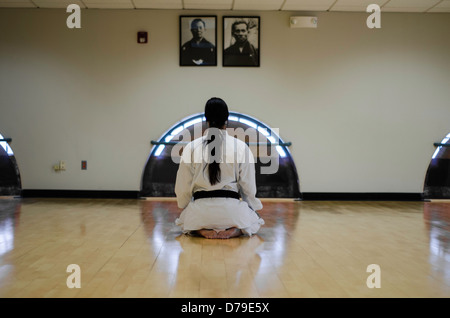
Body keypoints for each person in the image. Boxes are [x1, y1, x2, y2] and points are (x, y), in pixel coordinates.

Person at [175, 97, 264, 239]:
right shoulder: (241, 147)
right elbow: (248, 188)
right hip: (232, 213)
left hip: (200, 213)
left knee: (183, 221)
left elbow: (182, 188)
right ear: (226, 120)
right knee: (256, 221)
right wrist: (251, 208)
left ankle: (199, 229)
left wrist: (186, 206)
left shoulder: (191, 147)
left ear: (206, 120)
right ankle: (236, 230)